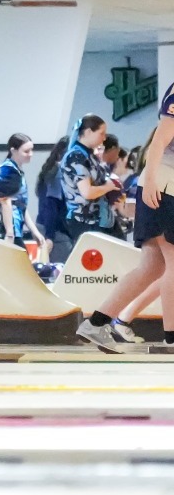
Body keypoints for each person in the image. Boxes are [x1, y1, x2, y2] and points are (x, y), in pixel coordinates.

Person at [75, 83, 174, 352]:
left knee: (153, 266)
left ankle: (96, 323)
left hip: (162, 185)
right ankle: (172, 337)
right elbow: (159, 140)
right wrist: (152, 180)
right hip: (164, 186)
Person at [60, 114, 121, 245]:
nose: (104, 138)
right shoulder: (76, 156)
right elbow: (87, 192)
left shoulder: (89, 155)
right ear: (88, 132)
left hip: (99, 219)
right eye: (101, 133)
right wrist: (108, 187)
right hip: (85, 221)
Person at [0, 133, 46, 250]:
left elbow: (20, 205)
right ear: (13, 150)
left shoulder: (17, 171)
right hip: (6, 230)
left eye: (31, 150)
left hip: (15, 229)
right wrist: (9, 233)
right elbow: (5, 201)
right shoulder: (7, 171)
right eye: (26, 151)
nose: (30, 154)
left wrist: (34, 231)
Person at [35, 136, 71, 261]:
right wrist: (49, 237)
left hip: (48, 228)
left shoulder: (51, 170)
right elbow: (50, 205)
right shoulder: (57, 174)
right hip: (54, 232)